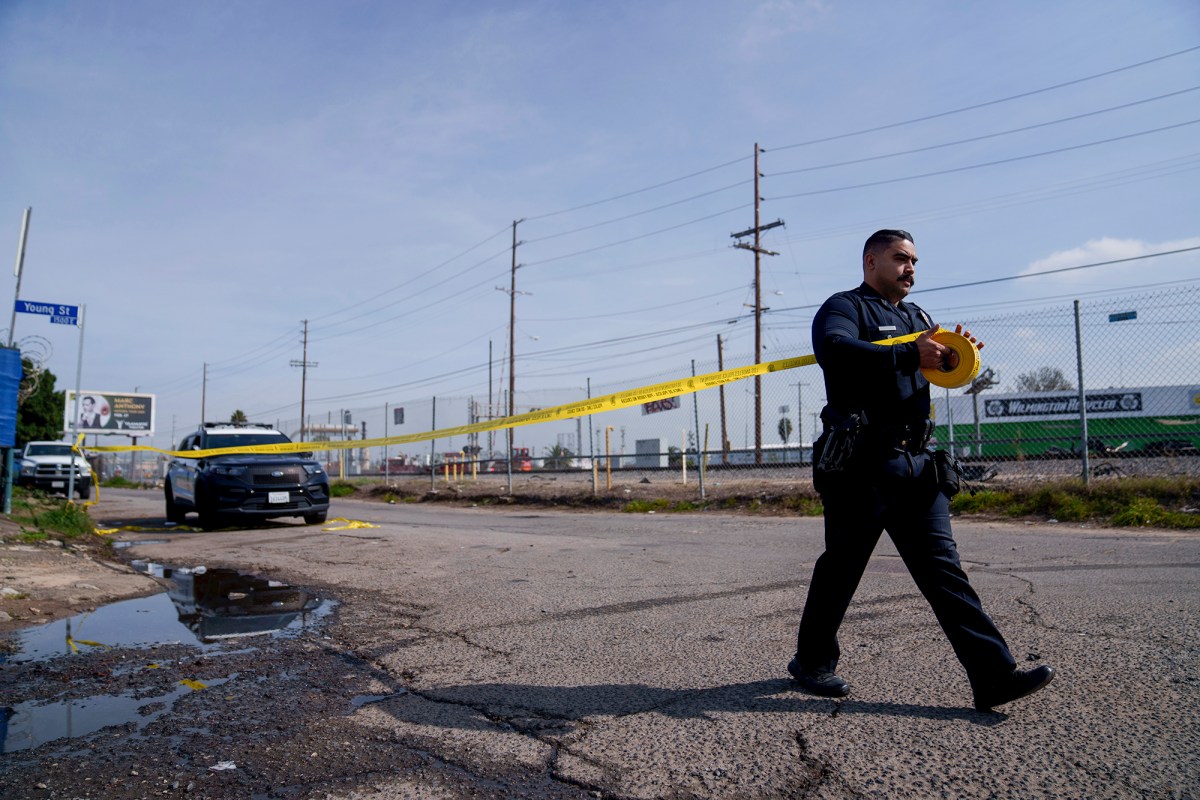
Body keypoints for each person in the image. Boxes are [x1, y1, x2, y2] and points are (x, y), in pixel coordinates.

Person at [789, 229, 1054, 712]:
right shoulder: (844, 307)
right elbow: (836, 350)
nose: (910, 268)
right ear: (871, 261)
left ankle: (994, 676)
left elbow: (935, 371)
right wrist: (909, 353)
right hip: (861, 464)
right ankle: (811, 662)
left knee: (944, 571)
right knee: (842, 569)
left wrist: (955, 357)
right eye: (900, 259)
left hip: (919, 463)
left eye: (914, 261)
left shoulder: (919, 317)